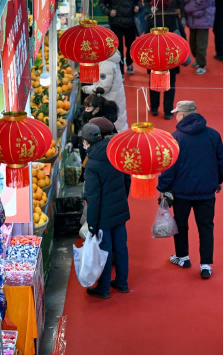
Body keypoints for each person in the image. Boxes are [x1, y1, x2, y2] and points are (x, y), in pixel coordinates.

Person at [157, 101, 223, 279]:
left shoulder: (175, 138)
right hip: (206, 191)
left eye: (177, 114)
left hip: (181, 192)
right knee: (206, 227)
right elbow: (221, 160)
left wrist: (163, 187)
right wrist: (219, 180)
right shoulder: (213, 135)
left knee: (180, 225)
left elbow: (169, 167)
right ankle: (205, 264)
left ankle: (183, 257)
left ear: (182, 115)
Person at [82, 123, 131, 299]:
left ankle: (103, 288)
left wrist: (92, 224)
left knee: (104, 249)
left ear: (87, 142)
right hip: (119, 208)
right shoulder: (115, 153)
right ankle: (122, 282)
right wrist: (122, 199)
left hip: (103, 214)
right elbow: (127, 178)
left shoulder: (93, 164)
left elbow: (93, 196)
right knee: (121, 247)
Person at [147, 0, 185, 119]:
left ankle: (154, 108)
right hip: (170, 55)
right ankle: (168, 111)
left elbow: (145, 38)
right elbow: (183, 36)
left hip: (155, 56)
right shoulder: (174, 18)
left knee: (154, 81)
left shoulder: (151, 19)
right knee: (171, 83)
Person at [82, 51, 127, 132]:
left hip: (109, 100)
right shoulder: (109, 60)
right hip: (114, 98)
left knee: (112, 128)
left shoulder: (106, 64)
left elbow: (103, 87)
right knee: (119, 124)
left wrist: (86, 89)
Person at [99, 0, 142, 76]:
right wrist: (109, 11)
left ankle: (129, 63)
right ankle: (120, 70)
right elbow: (101, 3)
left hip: (130, 23)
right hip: (115, 23)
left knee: (131, 46)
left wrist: (138, 7)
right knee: (118, 48)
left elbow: (139, 2)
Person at [184, 0, 216, 75]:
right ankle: (198, 60)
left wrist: (187, 8)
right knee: (193, 43)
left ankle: (202, 65)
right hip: (192, 21)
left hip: (203, 20)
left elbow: (202, 3)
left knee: (201, 45)